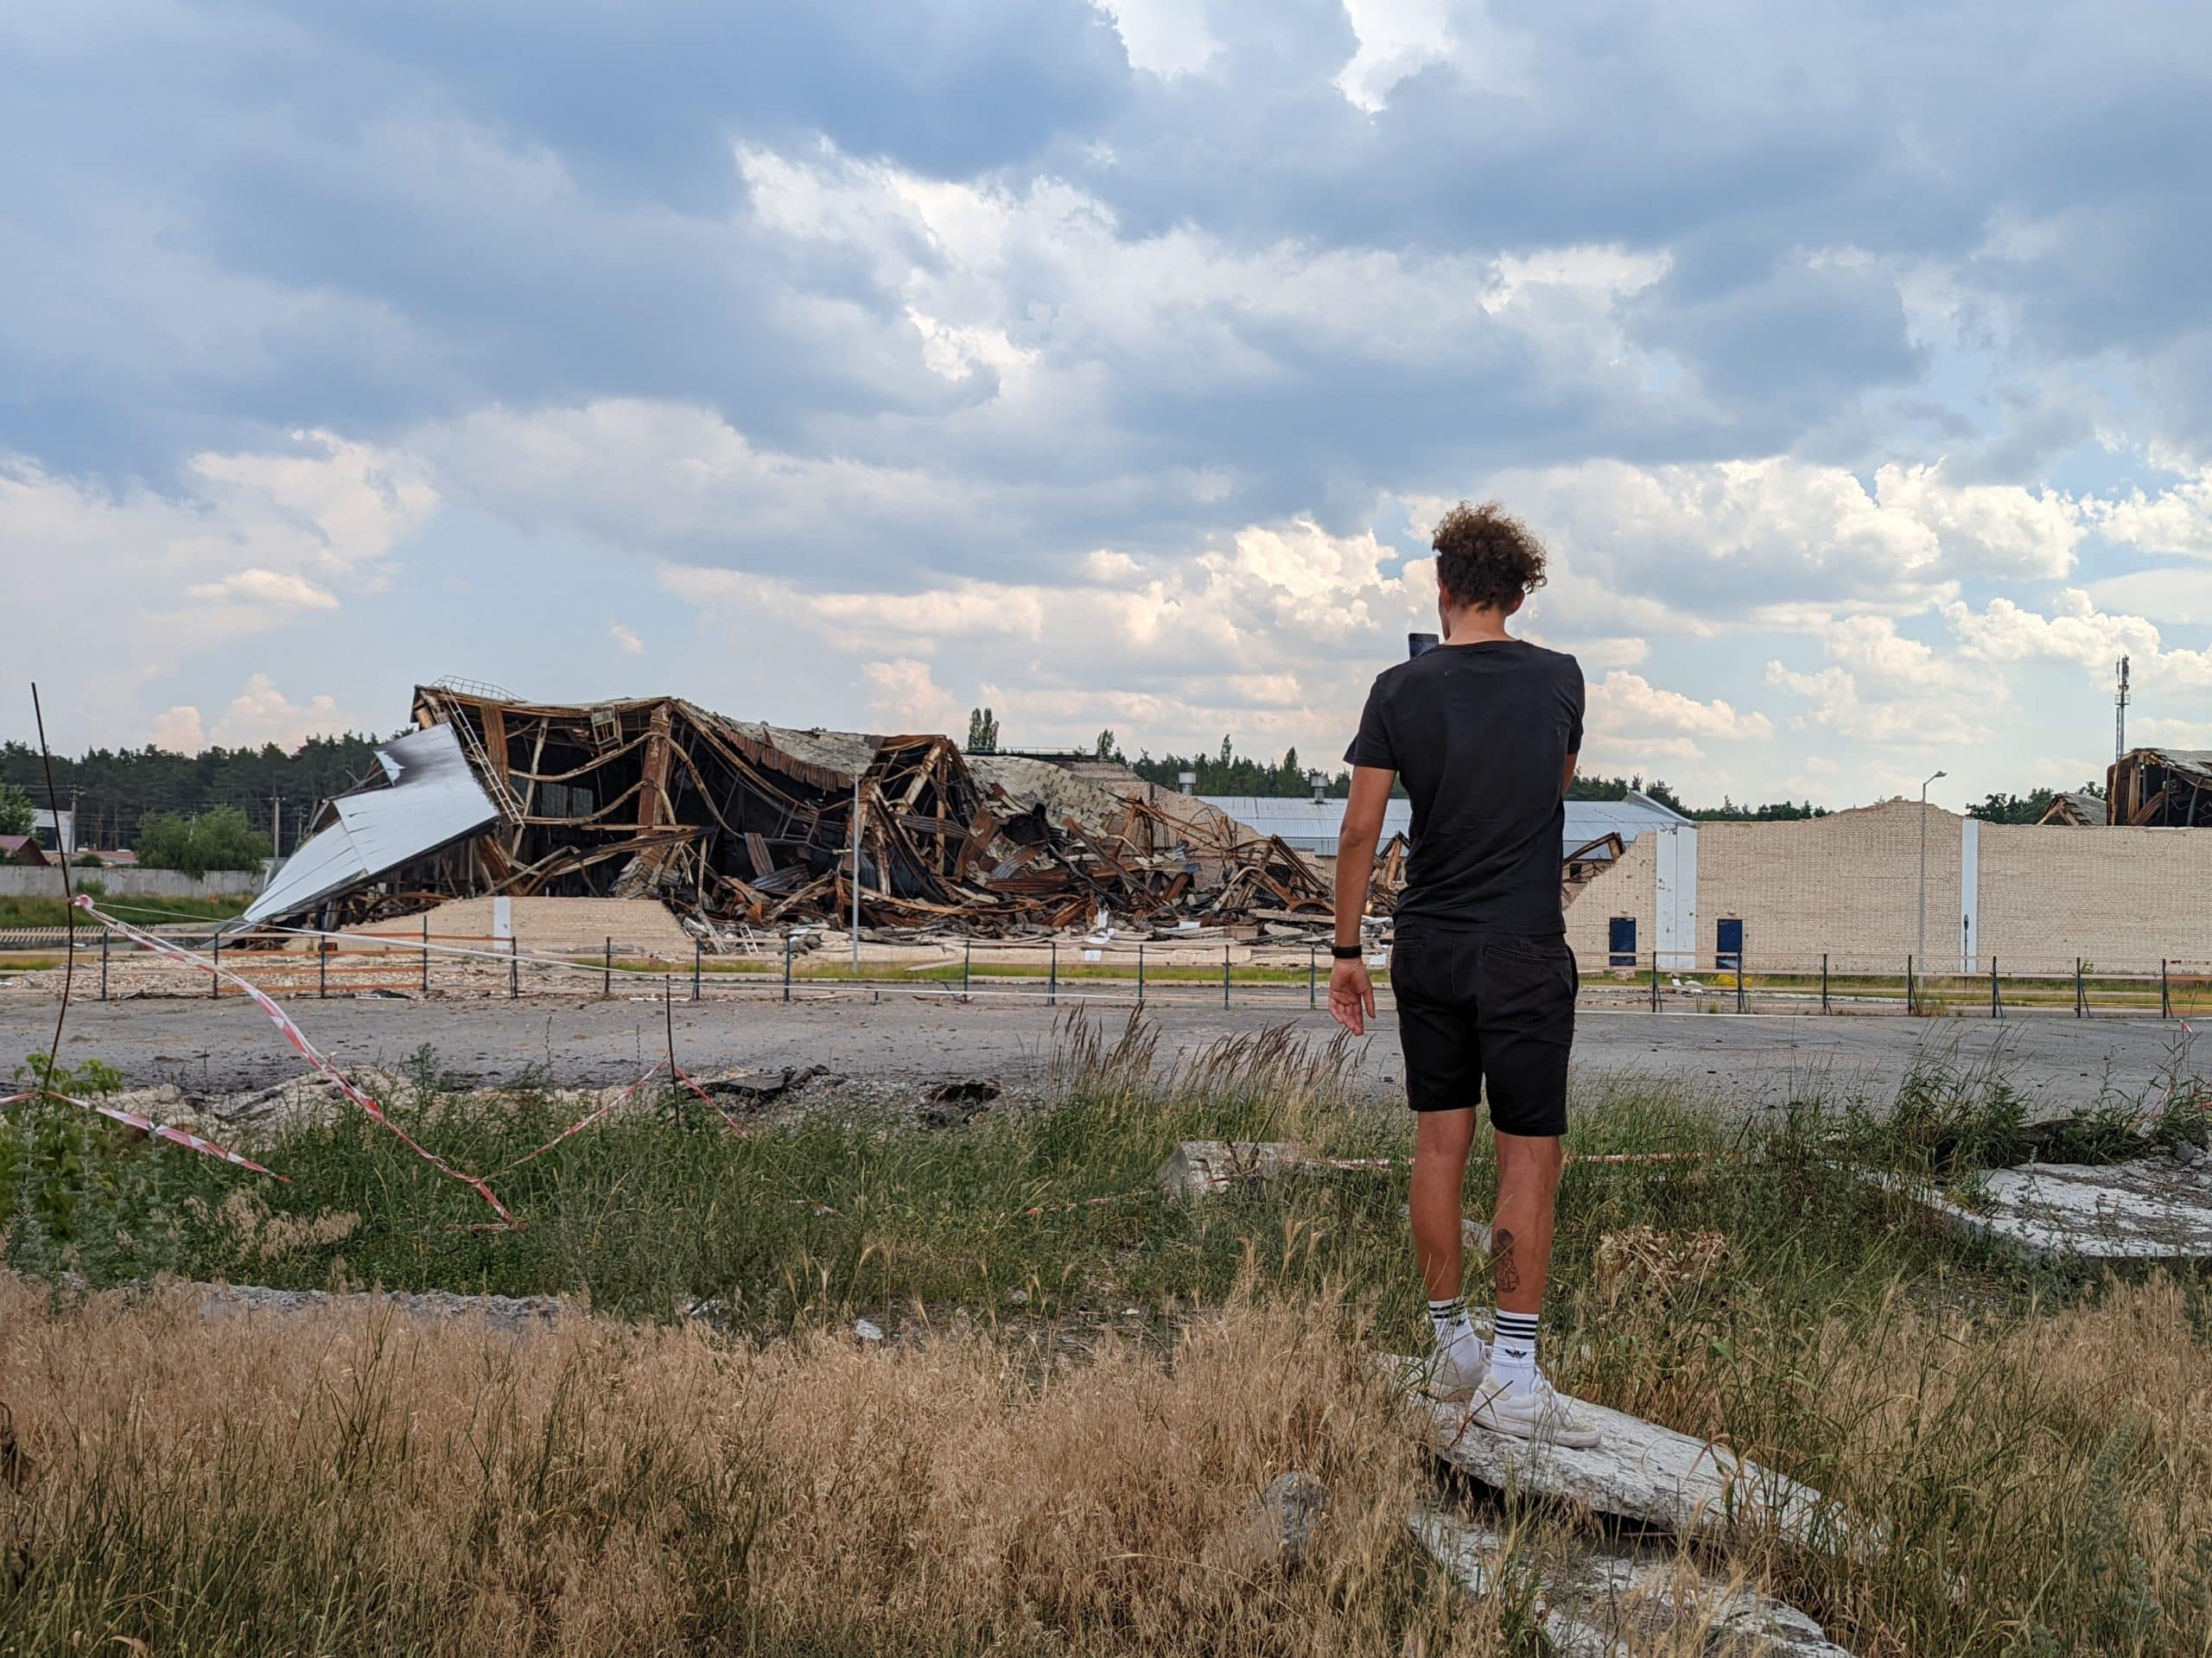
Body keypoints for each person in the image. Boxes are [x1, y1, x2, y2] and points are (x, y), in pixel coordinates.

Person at [1327, 501, 1599, 1448]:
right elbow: (1552, 783)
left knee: (1437, 1145)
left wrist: (1344, 951)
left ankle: (1451, 1347)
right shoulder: (1559, 678)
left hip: (1428, 944)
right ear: (1520, 592)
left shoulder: (1398, 688)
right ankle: (1515, 1374)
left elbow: (1360, 829)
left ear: (1440, 590)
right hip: (1521, 944)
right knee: (1529, 1153)